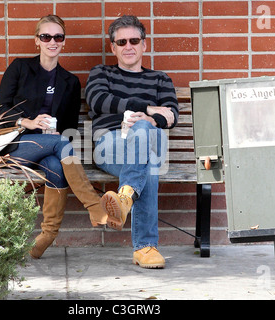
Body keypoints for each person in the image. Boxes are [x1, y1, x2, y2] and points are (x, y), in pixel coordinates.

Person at [0, 15, 107, 259]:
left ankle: (46, 236)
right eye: (46, 36)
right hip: (16, 145)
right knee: (59, 144)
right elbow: (0, 110)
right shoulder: (20, 68)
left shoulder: (70, 81)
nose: (52, 41)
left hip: (50, 147)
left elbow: (69, 129)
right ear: (37, 40)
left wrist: (57, 133)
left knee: (56, 164)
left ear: (64, 42)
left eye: (58, 37)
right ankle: (94, 205)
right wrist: (28, 122)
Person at [85, 15, 179, 269]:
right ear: (113, 47)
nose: (128, 46)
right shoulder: (101, 73)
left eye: (134, 40)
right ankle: (145, 247)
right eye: (122, 41)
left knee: (144, 138)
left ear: (144, 45)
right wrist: (148, 110)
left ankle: (125, 197)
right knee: (148, 167)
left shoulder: (160, 79)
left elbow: (171, 116)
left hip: (151, 144)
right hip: (110, 145)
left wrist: (148, 121)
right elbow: (98, 101)